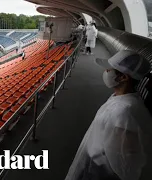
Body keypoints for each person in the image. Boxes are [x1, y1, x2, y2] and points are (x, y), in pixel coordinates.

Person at [65, 50, 152, 180]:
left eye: (109, 70)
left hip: (100, 172)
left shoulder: (125, 112)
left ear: (123, 77)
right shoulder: (119, 99)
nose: (105, 72)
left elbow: (123, 161)